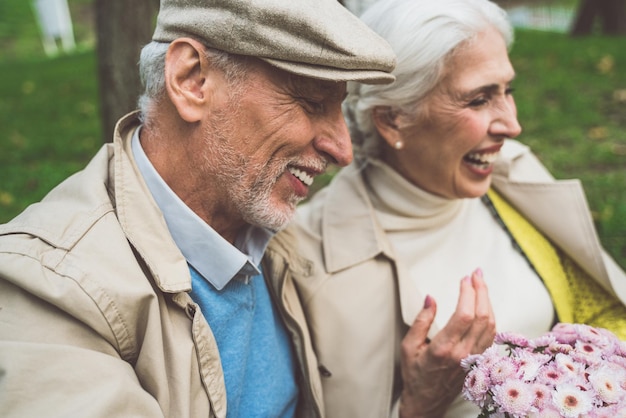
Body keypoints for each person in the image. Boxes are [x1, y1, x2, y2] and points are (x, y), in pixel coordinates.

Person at [0, 0, 396, 416]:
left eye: (339, 109)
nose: (343, 149)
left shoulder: (267, 226)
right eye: (312, 102)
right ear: (192, 80)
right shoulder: (53, 289)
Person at [288, 0, 626, 417]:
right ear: (393, 119)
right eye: (479, 99)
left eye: (507, 91)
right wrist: (421, 404)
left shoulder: (511, 176)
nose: (512, 125)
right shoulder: (307, 260)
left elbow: (601, 316)